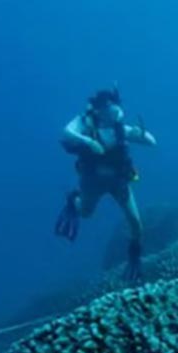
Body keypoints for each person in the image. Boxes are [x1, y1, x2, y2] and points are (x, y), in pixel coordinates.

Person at [54, 87, 157, 282]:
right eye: (108, 107)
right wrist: (88, 142)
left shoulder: (121, 130)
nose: (113, 111)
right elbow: (66, 132)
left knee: (135, 222)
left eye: (114, 106)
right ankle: (73, 200)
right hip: (93, 181)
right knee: (85, 212)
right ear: (99, 109)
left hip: (118, 181)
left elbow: (152, 142)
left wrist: (141, 134)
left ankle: (134, 258)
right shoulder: (86, 125)